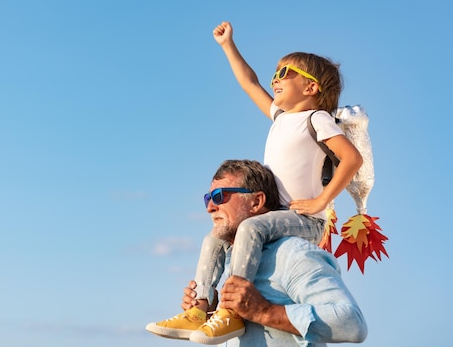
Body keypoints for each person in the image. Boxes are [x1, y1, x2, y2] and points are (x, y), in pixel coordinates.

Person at [146, 22, 364, 344]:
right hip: (277, 217)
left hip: (305, 219)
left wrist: (321, 203)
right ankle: (201, 308)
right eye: (276, 72)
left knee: (249, 229)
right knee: (212, 241)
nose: (276, 78)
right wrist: (228, 46)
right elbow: (250, 83)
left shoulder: (316, 119)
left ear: (311, 88)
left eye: (286, 72)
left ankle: (232, 313)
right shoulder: (281, 117)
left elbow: (352, 159)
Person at [158, 159, 368, 346]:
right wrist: (211, 309)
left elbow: (352, 323)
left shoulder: (292, 254)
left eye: (220, 196)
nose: (210, 207)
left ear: (257, 202)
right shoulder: (228, 263)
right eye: (208, 199)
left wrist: (264, 312)